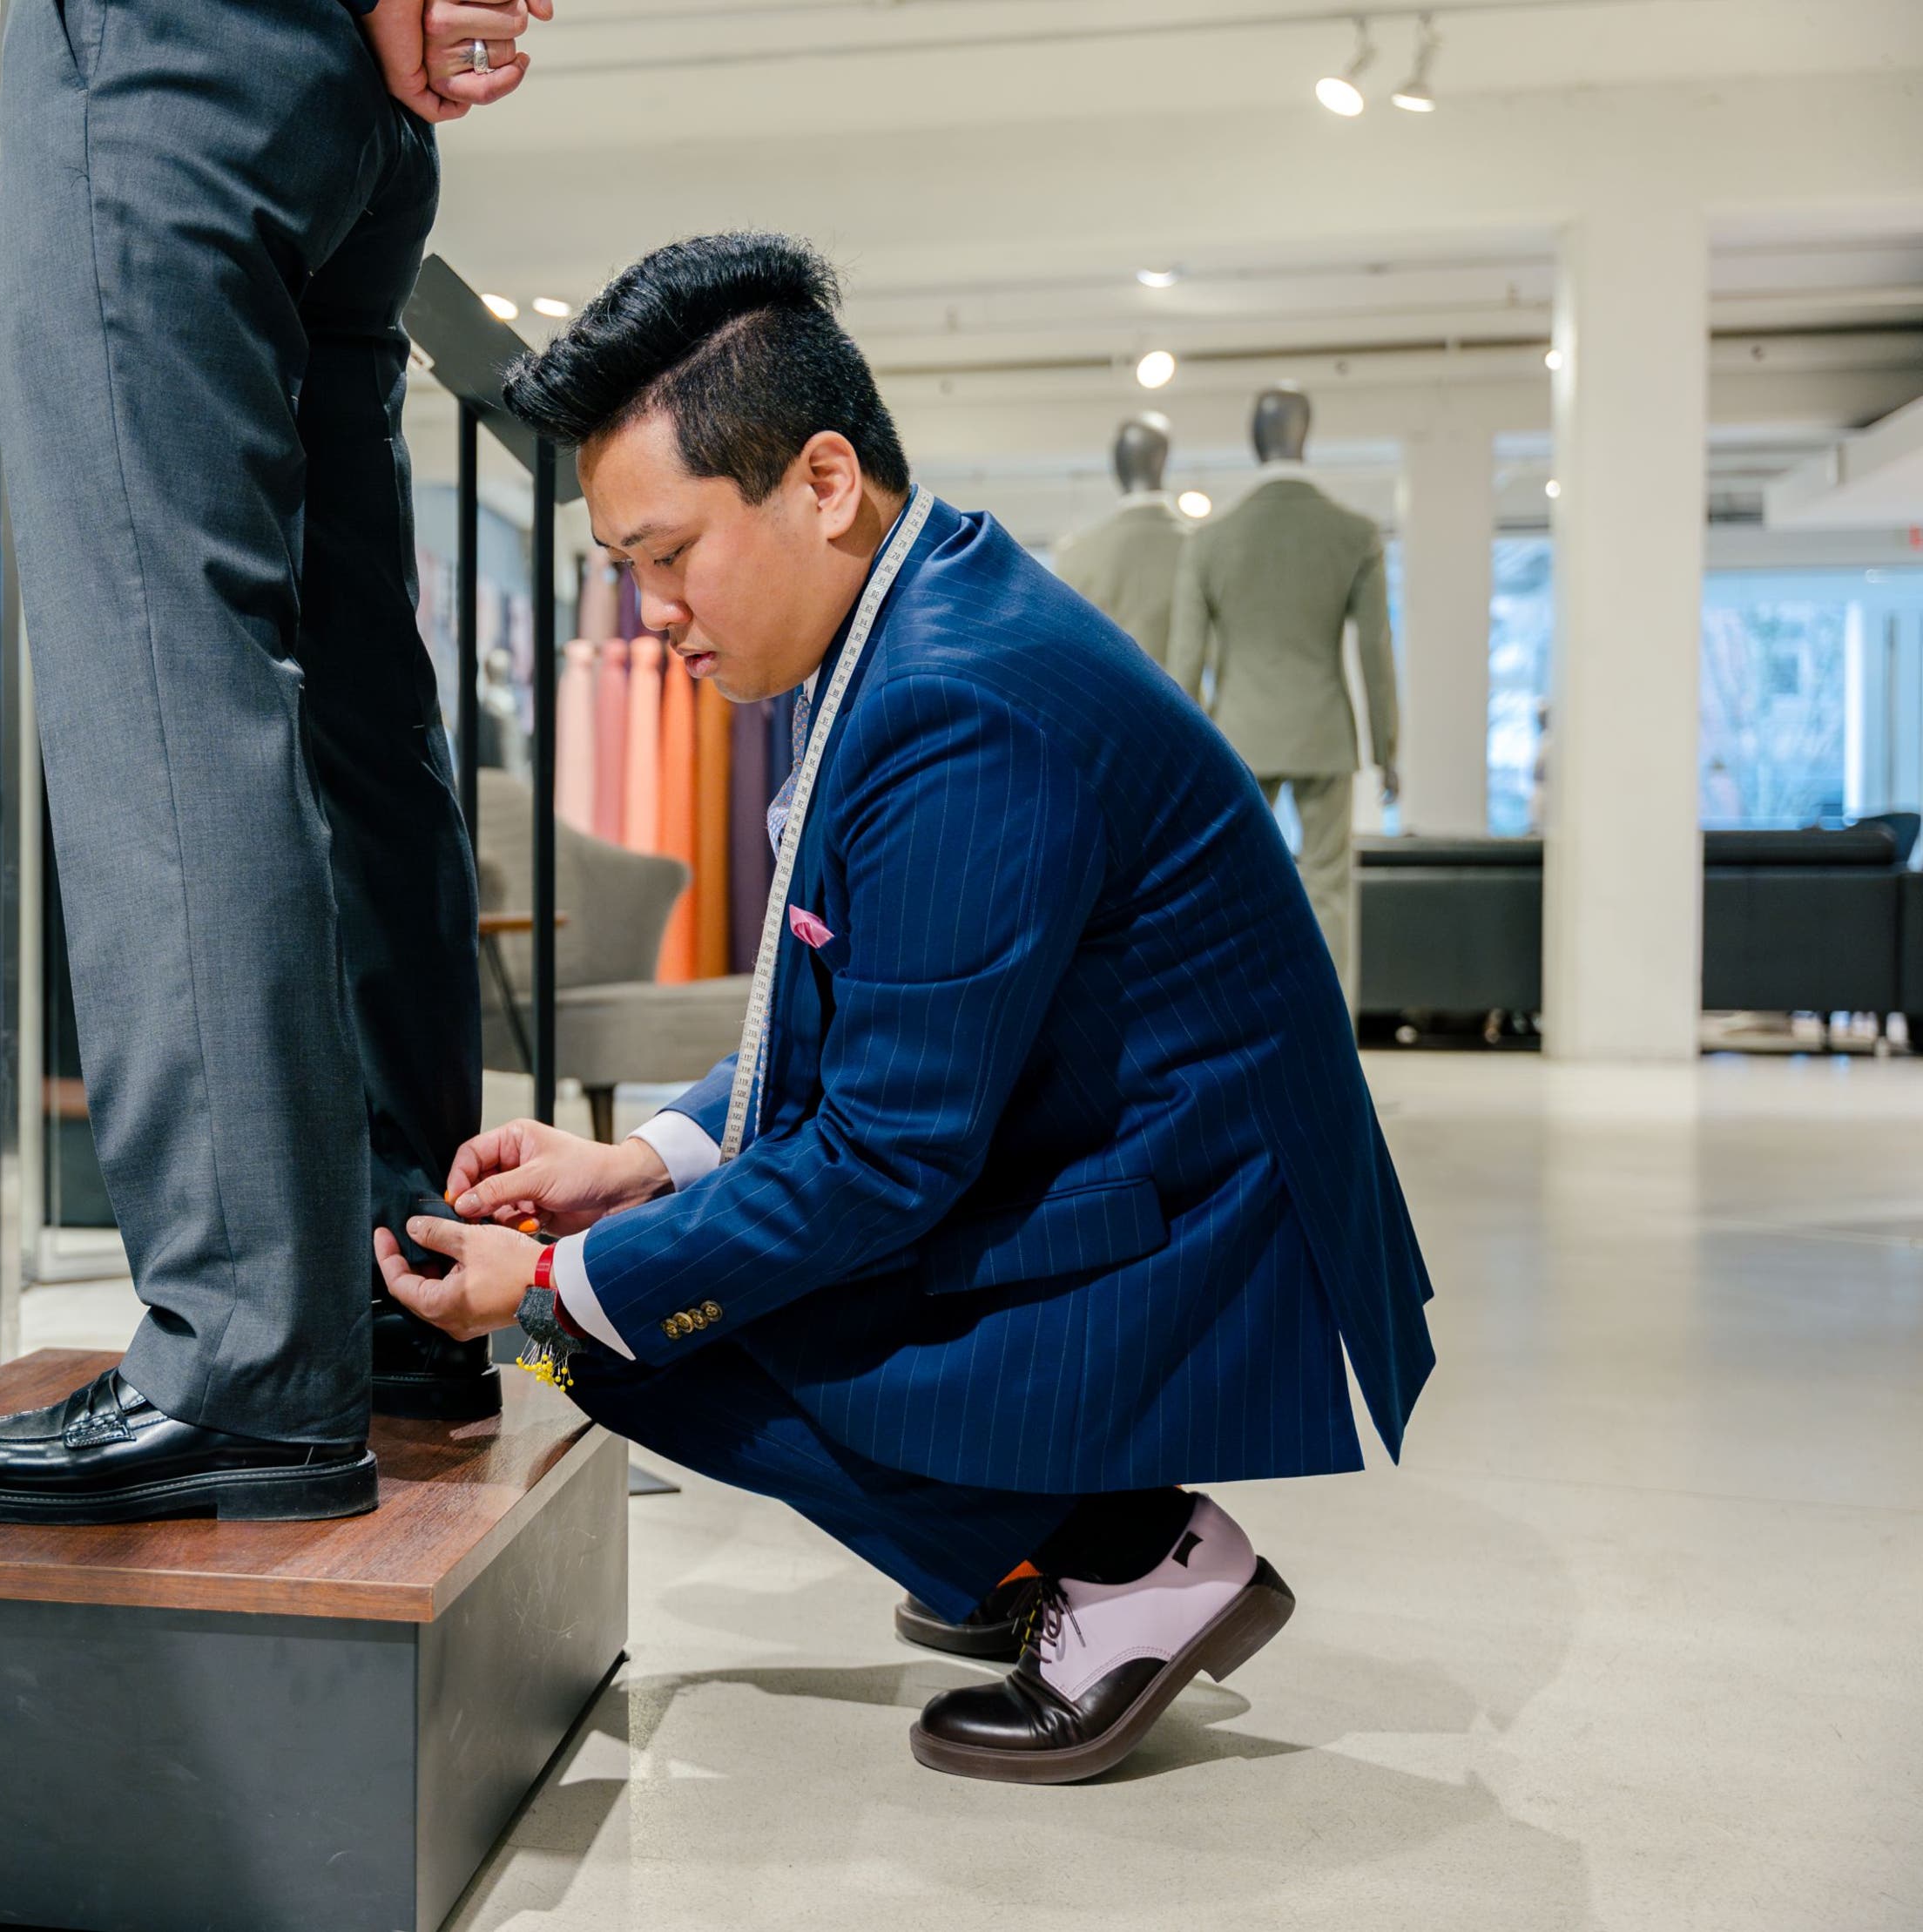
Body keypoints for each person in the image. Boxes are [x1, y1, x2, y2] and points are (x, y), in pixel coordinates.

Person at [374, 235, 1437, 1786]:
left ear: (820, 480)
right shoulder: (914, 615)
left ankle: (1124, 1559)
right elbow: (857, 1005)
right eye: (632, 570)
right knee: (640, 1265)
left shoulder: (958, 703)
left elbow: (881, 1156)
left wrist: (554, 1273)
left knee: (596, 1332)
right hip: (1120, 1147)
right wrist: (649, 1159)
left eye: (672, 553)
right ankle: (1027, 1542)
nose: (657, 608)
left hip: (1184, 1216)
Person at [0, 0, 552, 1528]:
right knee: (350, 700)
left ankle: (246, 1356)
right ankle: (402, 1284)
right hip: (326, 94)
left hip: (147, 58)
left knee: (163, 686)